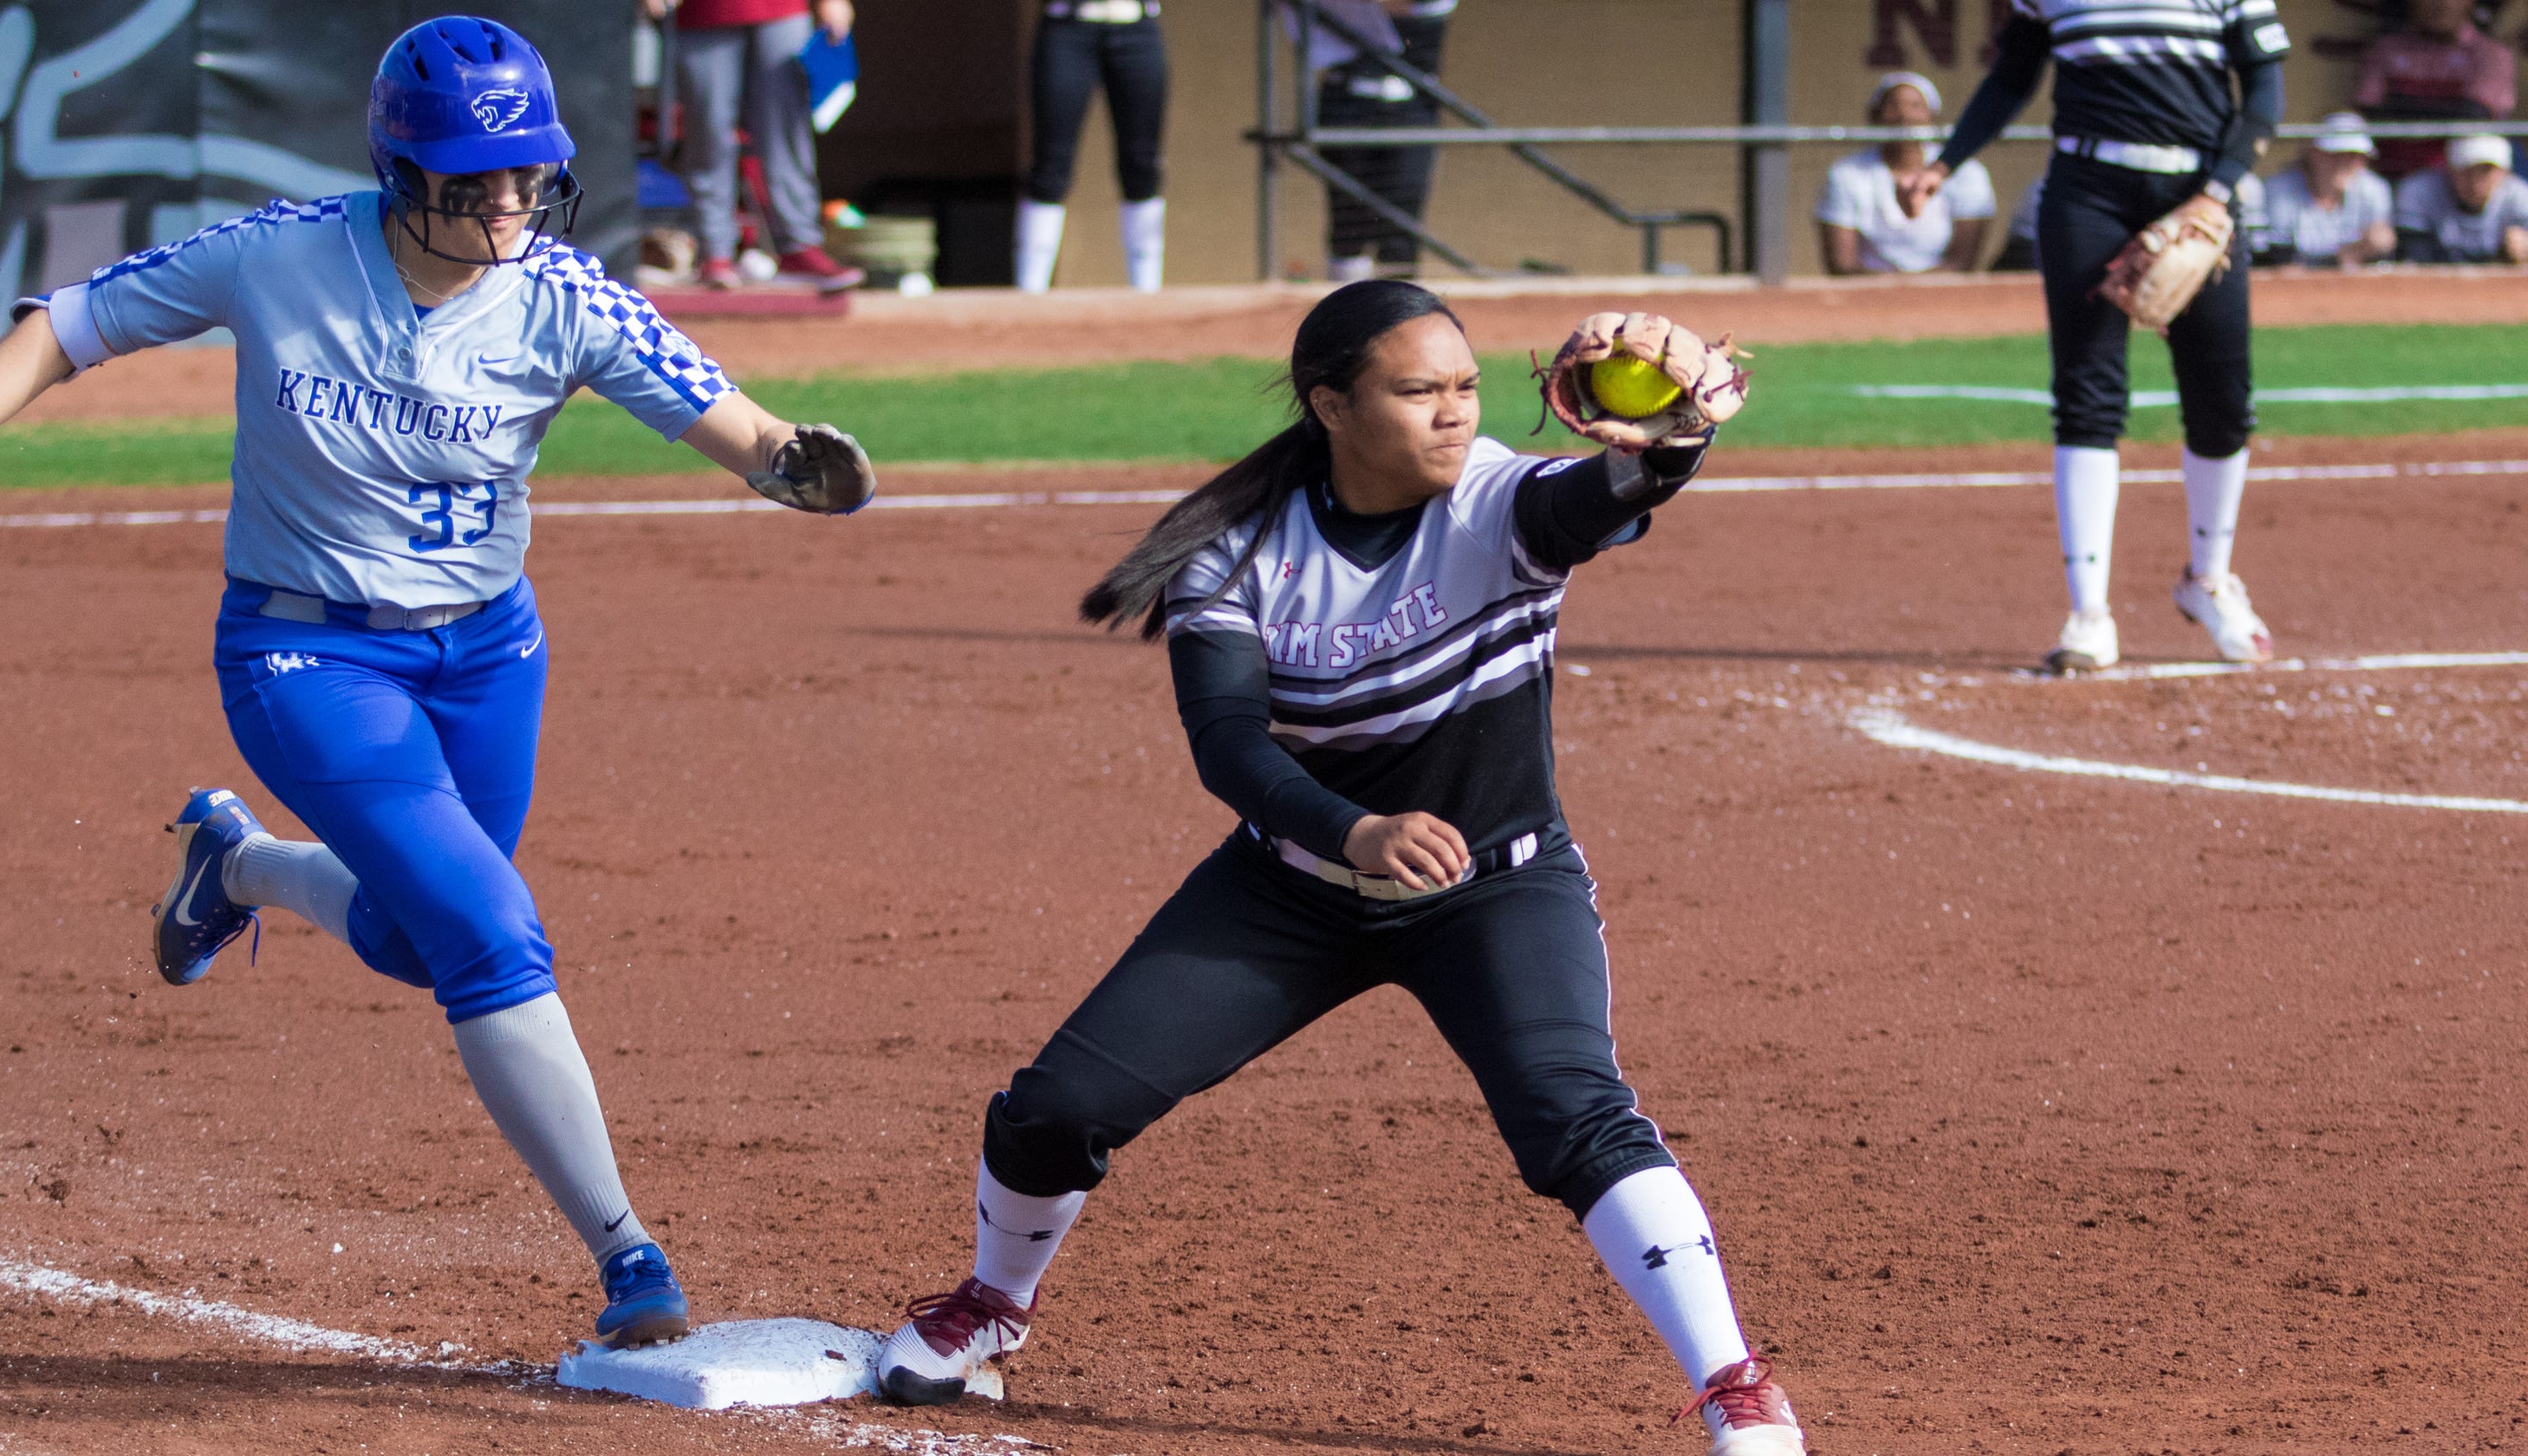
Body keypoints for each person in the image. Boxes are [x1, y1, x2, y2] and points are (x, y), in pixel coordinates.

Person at [0, 16, 876, 1349]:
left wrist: (803, 470)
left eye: (523, 174)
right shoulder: (281, 254)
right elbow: (65, 328)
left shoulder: (566, 295)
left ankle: (239, 867)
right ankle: (630, 1256)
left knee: (406, 938)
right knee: (490, 929)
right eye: (472, 178)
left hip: (488, 652)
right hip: (303, 651)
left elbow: (745, 431)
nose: (506, 202)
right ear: (400, 172)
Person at [867, 282, 1809, 1456]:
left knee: (1575, 1119)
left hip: (1497, 887)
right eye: (1418, 393)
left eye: (1465, 388)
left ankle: (1734, 1385)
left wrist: (1680, 441)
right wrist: (1352, 834)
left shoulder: (1500, 504)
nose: (1454, 415)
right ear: (1331, 406)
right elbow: (1230, 744)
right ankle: (994, 1308)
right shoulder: (1234, 553)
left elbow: (1608, 492)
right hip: (1292, 891)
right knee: (1058, 1108)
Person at [1903, 0, 2289, 672]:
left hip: (2200, 190)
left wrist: (2215, 193)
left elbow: (2265, 90)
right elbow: (2011, 77)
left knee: (2222, 398)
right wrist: (1946, 163)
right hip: (2088, 192)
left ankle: (2210, 580)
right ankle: (2089, 616)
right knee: (2087, 393)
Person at [653, 0, 867, 291]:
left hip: (783, 10)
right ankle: (715, 252)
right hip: (703, 12)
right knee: (708, 130)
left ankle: (798, 247)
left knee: (787, 131)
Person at [1017, 0, 1168, 293]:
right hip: (1067, 25)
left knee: (1142, 162)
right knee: (1051, 164)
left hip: (1137, 25)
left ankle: (1148, 292)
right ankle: (1030, 292)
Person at [1317, 0, 1459, 283]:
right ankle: (1345, 310)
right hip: (1348, 104)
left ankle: (1397, 311)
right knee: (1349, 217)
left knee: (1402, 214)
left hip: (1410, 108)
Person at [1816, 72, 1997, 275]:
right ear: (1875, 116)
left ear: (1932, 116)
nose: (1904, 115)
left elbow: (1962, 261)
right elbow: (1843, 264)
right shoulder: (1846, 173)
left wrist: (1917, 290)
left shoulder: (1967, 173)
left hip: (1942, 294)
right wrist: (1896, 289)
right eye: (1893, 106)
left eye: (1915, 106)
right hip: (1870, 296)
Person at [2354, 0, 2518, 180]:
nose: (2441, 4)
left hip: (2463, 185)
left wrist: (2399, 106)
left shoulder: (2491, 54)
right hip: (2390, 177)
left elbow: (2474, 116)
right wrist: (2449, 110)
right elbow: (2369, 115)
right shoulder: (2385, 49)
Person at [2255, 113, 2395, 268]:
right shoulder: (2279, 190)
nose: (2345, 163)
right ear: (2313, 154)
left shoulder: (2374, 189)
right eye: (2335, 154)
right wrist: (2344, 257)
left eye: (2354, 156)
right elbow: (2281, 262)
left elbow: (2382, 241)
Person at [2395, 132, 2528, 262]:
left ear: (2504, 173)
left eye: (2486, 171)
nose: (2475, 182)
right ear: (2449, 169)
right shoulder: (2419, 192)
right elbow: (2415, 259)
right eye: (2467, 170)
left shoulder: (2521, 197)